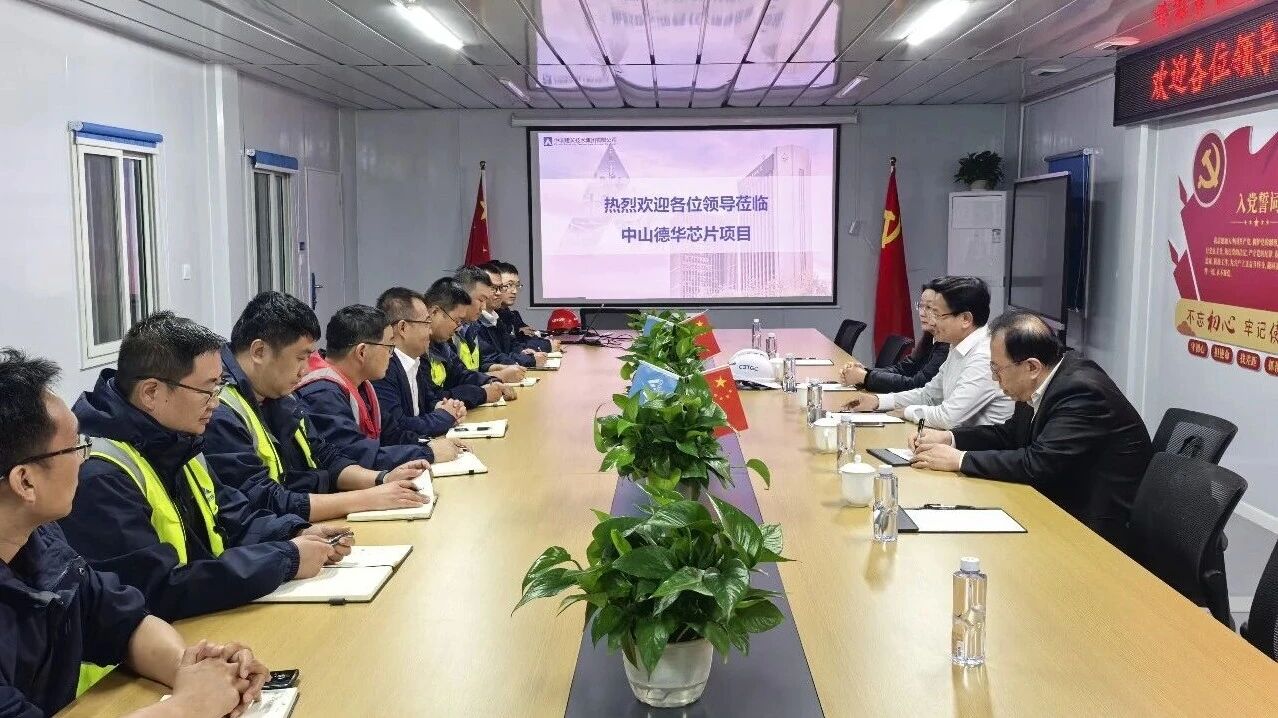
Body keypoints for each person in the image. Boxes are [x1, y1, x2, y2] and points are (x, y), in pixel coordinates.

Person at [0, 349, 269, 718]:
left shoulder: (40, 541)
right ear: (25, 481)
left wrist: (192, 669)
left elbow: (122, 621)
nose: (84, 459)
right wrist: (187, 708)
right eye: (76, 447)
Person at [60, 313, 350, 624]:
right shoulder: (99, 473)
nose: (216, 402)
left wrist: (295, 532)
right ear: (151, 392)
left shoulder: (176, 440)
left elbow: (233, 517)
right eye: (207, 390)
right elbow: (157, 589)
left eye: (219, 386)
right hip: (158, 641)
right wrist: (285, 559)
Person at [911, 310, 1154, 547]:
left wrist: (960, 460)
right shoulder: (1041, 379)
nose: (994, 379)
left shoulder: (1081, 391)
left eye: (997, 369)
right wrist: (950, 438)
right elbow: (1011, 435)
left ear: (1031, 367)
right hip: (1057, 502)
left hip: (1094, 528)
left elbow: (1038, 464)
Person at [204, 292, 435, 522]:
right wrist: (368, 498)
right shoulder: (218, 410)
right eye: (300, 358)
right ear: (259, 352)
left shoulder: (277, 392)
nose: (305, 370)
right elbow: (265, 499)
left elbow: (324, 455)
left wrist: (382, 479)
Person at [841, 276, 1013, 429]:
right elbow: (929, 395)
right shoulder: (958, 346)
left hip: (976, 449)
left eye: (936, 314)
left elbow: (949, 417)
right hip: (953, 441)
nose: (930, 321)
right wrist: (878, 401)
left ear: (965, 319)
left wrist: (905, 412)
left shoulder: (984, 355)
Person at [295, 305, 453, 468]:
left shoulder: (362, 385)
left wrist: (429, 444)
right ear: (362, 352)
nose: (391, 356)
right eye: (389, 347)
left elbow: (392, 435)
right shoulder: (323, 394)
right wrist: (428, 453)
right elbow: (357, 456)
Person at [374, 287, 468, 445]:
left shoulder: (414, 360)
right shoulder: (383, 368)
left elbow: (428, 401)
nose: (430, 331)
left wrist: (445, 407)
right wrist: (445, 416)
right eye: (426, 323)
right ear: (403, 328)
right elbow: (398, 426)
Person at [840, 284, 949, 392]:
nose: (922, 313)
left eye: (929, 307)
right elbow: (903, 369)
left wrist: (865, 377)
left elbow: (917, 385)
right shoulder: (930, 339)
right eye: (921, 305)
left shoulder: (946, 347)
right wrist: (865, 372)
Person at [422, 278, 508, 410]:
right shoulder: (417, 349)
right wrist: (481, 394)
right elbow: (431, 400)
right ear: (434, 312)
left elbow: (461, 374)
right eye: (457, 321)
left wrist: (490, 381)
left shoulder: (442, 344)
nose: (458, 328)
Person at [452, 266, 535, 381]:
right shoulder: (451, 333)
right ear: (463, 297)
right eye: (481, 300)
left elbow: (477, 366)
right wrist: (498, 375)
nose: (483, 307)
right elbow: (457, 380)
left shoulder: (471, 327)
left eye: (500, 288)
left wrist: (495, 369)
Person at [489, 260, 556, 353]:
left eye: (517, 285)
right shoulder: (489, 318)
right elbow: (507, 351)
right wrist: (548, 346)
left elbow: (517, 343)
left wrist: (545, 343)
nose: (514, 291)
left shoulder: (509, 314)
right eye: (508, 285)